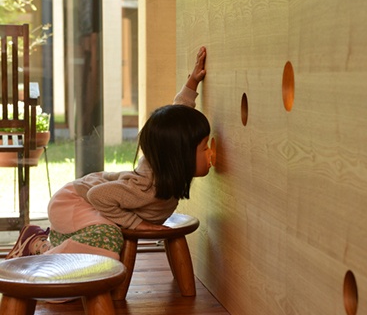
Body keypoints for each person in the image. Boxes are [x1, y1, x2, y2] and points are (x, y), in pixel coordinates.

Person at [6, 46, 212, 260]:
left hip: (86, 203)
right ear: (181, 156)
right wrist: (137, 225)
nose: (211, 153)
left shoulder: (165, 156)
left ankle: (37, 244)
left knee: (102, 237)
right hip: (73, 202)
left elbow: (179, 116)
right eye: (204, 147)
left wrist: (193, 82)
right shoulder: (146, 187)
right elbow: (97, 196)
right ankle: (39, 264)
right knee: (109, 239)